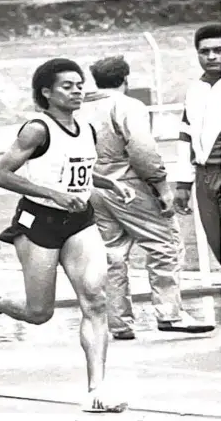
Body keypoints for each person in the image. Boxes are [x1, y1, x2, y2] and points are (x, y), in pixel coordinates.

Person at [0, 58, 135, 413]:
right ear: (46, 92)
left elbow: (79, 174)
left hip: (79, 221)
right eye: (67, 86)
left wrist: (111, 183)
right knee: (39, 312)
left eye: (79, 84)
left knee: (95, 299)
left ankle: (97, 389)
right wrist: (54, 195)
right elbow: (1, 175)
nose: (76, 91)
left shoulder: (87, 128)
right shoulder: (37, 129)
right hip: (39, 221)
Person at [81, 56, 215, 340]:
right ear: (125, 79)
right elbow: (142, 150)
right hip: (128, 183)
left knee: (113, 254)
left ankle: (118, 322)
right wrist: (162, 186)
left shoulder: (81, 107)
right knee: (165, 245)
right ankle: (170, 313)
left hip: (94, 184)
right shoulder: (128, 105)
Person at [174, 24, 221, 267]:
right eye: (205, 51)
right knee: (217, 243)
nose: (212, 56)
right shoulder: (195, 90)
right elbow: (186, 137)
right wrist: (183, 184)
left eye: (218, 50)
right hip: (204, 177)